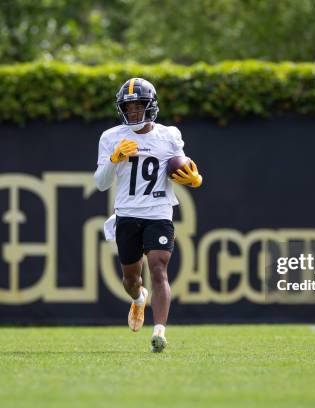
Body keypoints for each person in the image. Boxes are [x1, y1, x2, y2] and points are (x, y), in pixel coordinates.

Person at [94, 77, 203, 352]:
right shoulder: (111, 137)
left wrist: (194, 178)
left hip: (159, 211)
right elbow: (101, 183)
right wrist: (113, 159)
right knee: (131, 280)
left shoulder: (168, 136)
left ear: (150, 106)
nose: (132, 112)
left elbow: (181, 166)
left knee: (159, 268)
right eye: (128, 107)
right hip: (127, 213)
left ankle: (159, 331)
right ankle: (139, 299)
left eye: (138, 105)